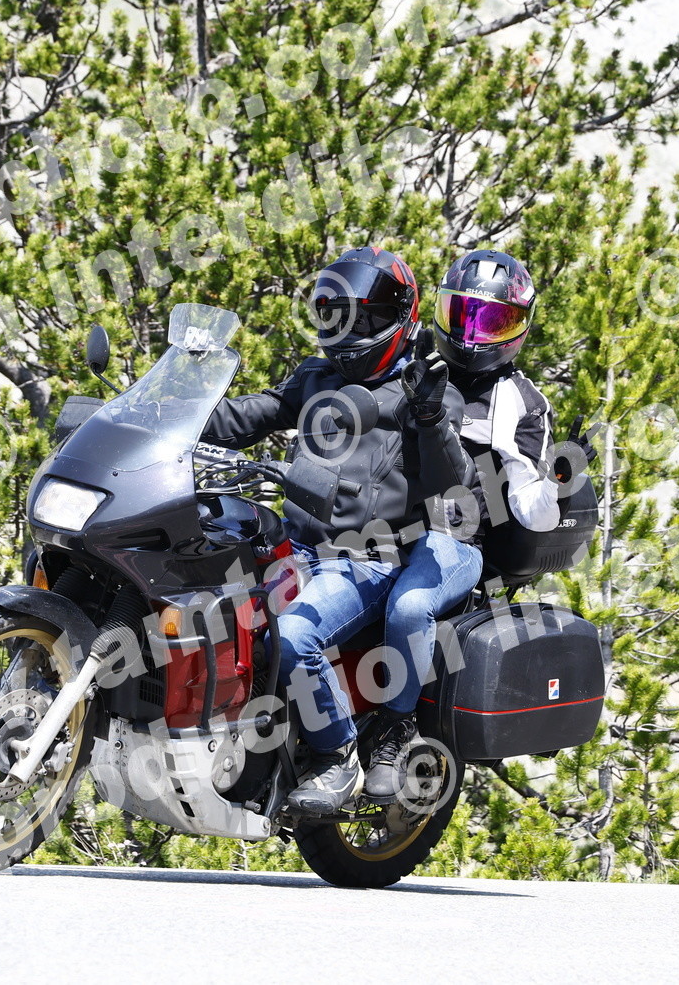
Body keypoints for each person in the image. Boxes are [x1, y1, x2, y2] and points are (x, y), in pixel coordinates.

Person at [203, 246, 481, 815]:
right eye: (339, 316)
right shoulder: (319, 376)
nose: (351, 331)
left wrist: (430, 416)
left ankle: (338, 755)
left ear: (399, 318)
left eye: (365, 318)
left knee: (293, 636)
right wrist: (163, 415)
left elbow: (452, 483)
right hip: (294, 545)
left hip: (368, 561)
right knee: (204, 602)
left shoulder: (427, 391)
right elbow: (251, 414)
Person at [430, 249, 563, 539]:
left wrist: (559, 479)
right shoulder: (416, 368)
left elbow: (532, 509)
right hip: (383, 531)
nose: (471, 335)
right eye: (461, 314)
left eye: (492, 323)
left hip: (455, 540)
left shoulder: (524, 403)